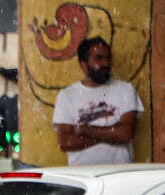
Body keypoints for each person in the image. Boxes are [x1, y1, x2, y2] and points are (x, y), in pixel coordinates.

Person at [52, 36, 143, 165]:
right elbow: (66, 142)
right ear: (83, 65)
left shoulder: (125, 89)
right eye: (99, 58)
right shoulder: (67, 96)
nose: (106, 64)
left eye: (108, 58)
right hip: (83, 177)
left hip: (120, 175)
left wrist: (87, 131)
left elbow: (126, 133)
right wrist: (111, 134)